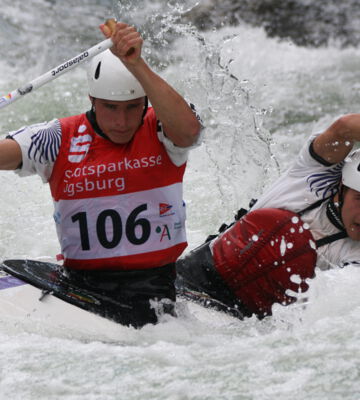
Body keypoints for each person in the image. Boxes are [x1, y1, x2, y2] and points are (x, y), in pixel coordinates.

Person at [0, 22, 202, 328]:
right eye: (110, 108)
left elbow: (189, 132)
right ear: (92, 101)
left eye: (132, 108)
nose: (121, 121)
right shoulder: (57, 138)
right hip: (81, 286)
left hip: (155, 288)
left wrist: (136, 64)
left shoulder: (162, 130)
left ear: (145, 102)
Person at [176, 114, 360, 320]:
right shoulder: (314, 173)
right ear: (342, 187)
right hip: (192, 278)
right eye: (359, 199)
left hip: (243, 321)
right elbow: (346, 127)